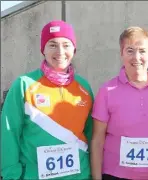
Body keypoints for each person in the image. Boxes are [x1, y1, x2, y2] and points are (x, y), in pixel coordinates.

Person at [1, 20, 94, 180]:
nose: (60, 51)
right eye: (52, 45)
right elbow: (8, 133)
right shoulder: (24, 84)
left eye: (66, 45)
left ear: (74, 49)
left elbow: (91, 133)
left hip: (79, 176)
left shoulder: (84, 87)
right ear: (43, 49)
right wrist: (12, 174)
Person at [90, 26, 148, 180]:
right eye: (130, 50)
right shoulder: (107, 90)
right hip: (115, 175)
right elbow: (97, 140)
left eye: (142, 51)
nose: (136, 57)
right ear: (121, 53)